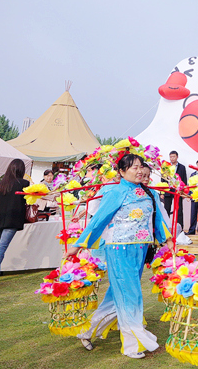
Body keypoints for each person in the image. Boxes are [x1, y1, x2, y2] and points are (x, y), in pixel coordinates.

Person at [67, 153, 172, 359]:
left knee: (117, 297)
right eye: (133, 167)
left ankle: (87, 332)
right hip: (119, 249)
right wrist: (78, 244)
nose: (139, 170)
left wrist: (168, 241)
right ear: (121, 172)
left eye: (141, 166)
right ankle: (133, 344)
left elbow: (158, 220)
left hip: (140, 250)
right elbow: (99, 220)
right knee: (130, 295)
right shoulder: (115, 192)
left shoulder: (149, 193)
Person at [0, 159, 29, 281]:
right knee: (1, 248)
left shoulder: (0, 184)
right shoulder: (24, 183)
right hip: (12, 219)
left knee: (1, 247)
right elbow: (26, 200)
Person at [164, 151, 187, 228]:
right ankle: (166, 227)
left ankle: (179, 227)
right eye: (170, 157)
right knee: (166, 208)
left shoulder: (182, 167)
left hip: (178, 190)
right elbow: (163, 179)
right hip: (168, 190)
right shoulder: (166, 167)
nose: (172, 158)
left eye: (173, 156)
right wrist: (162, 192)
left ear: (177, 157)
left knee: (179, 209)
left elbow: (184, 179)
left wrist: (184, 191)